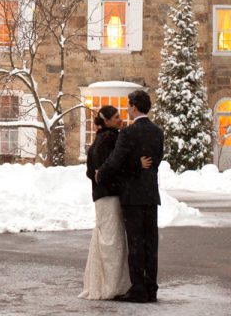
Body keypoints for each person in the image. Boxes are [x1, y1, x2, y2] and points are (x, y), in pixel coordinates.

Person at [96, 90, 164, 303]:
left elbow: (116, 161)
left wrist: (101, 173)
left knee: (135, 243)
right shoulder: (157, 132)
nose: (127, 110)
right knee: (151, 243)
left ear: (134, 106)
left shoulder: (128, 133)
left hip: (132, 195)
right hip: (151, 193)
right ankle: (151, 287)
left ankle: (139, 289)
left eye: (128, 106)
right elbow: (158, 160)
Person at [79, 105, 152, 300]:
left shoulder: (96, 140)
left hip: (100, 197)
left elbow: (89, 172)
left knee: (103, 238)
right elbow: (115, 165)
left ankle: (101, 284)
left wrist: (98, 176)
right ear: (108, 120)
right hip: (110, 196)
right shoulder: (112, 139)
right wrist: (137, 164)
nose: (120, 119)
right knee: (113, 241)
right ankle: (112, 286)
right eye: (116, 117)